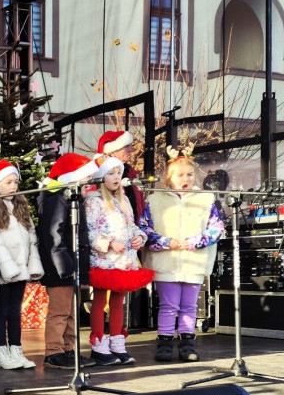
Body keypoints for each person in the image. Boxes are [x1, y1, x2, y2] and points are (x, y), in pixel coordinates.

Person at [140, 153, 224, 362]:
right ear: (169, 178)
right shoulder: (155, 200)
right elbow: (143, 230)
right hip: (165, 262)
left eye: (189, 174)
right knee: (168, 306)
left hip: (193, 261)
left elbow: (217, 229)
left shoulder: (206, 200)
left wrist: (197, 241)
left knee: (189, 306)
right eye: (179, 175)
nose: (185, 179)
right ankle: (165, 344)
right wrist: (165, 242)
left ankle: (187, 345)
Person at [84, 155, 154, 366]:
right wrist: (110, 243)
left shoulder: (124, 200)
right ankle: (98, 344)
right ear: (100, 176)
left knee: (118, 301)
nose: (116, 177)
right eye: (111, 173)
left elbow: (131, 225)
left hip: (123, 260)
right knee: (99, 300)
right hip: (103, 260)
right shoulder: (93, 200)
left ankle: (117, 342)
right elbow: (88, 232)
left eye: (119, 173)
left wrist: (138, 237)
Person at [38, 153, 100, 370]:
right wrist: (65, 267)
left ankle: (68, 348)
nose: (89, 182)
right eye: (86, 178)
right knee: (60, 311)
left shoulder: (73, 198)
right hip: (61, 267)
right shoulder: (57, 198)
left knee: (72, 310)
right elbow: (53, 235)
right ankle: (54, 351)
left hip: (72, 264)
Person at [0, 160, 43, 370]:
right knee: (2, 310)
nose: (13, 186)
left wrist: (31, 265)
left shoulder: (20, 205)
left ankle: (16, 349)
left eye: (15, 182)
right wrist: (8, 268)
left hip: (21, 268)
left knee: (15, 311)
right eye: (8, 182)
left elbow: (32, 236)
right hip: (4, 270)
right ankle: (1, 352)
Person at [94, 131, 145, 225]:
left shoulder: (131, 173)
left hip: (134, 234)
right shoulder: (97, 175)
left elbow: (141, 206)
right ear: (112, 151)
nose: (131, 149)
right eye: (126, 146)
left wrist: (140, 233)